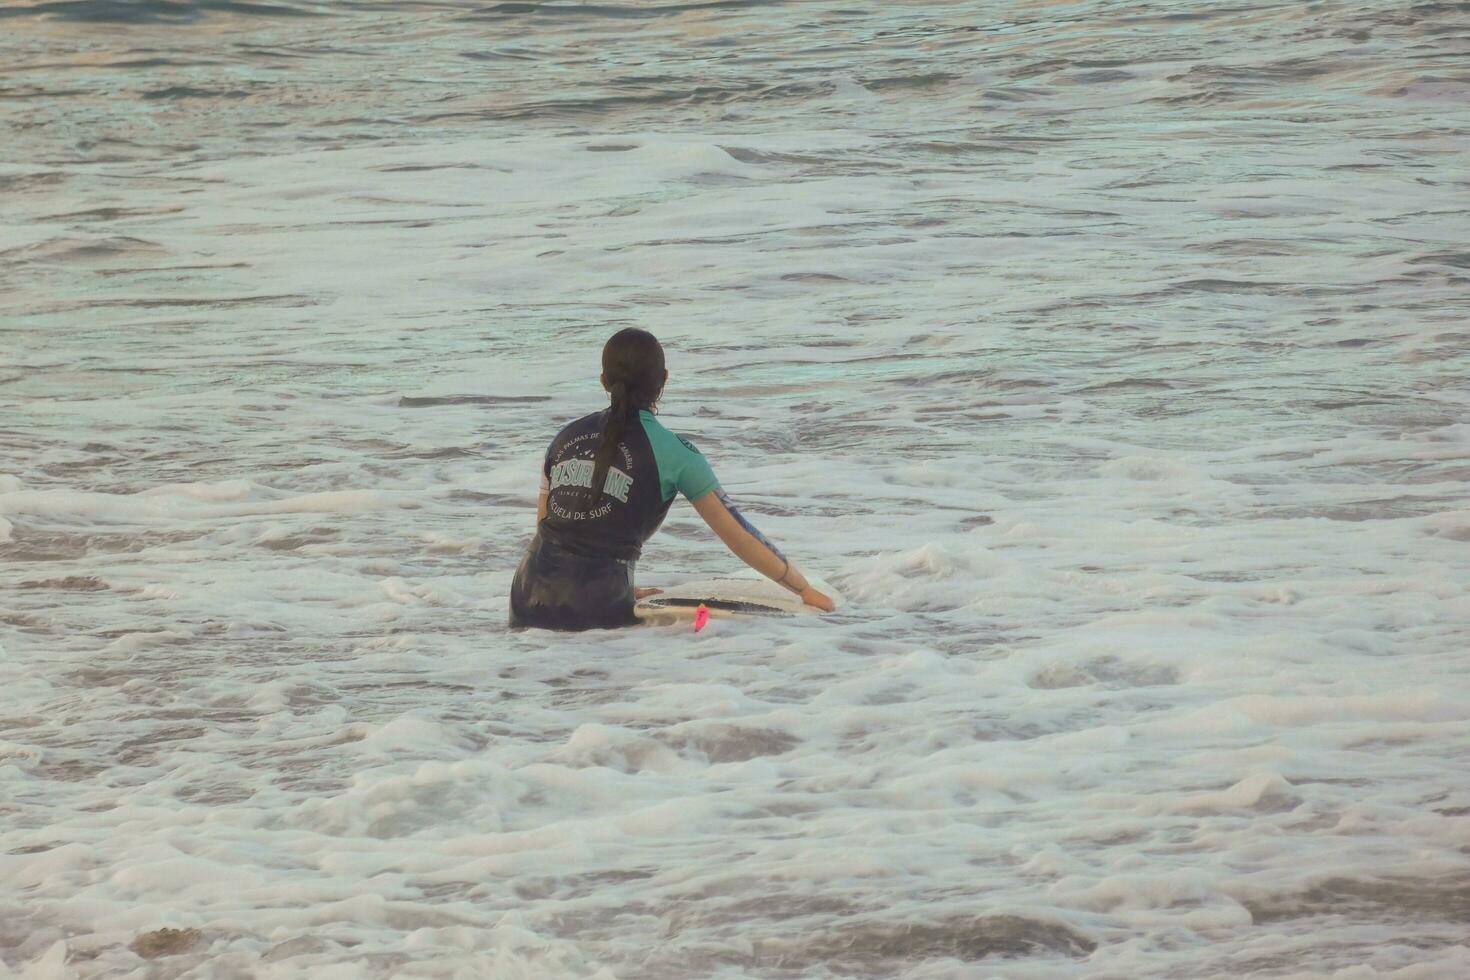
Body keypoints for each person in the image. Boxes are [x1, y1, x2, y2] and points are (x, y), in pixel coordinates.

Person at [510, 328, 836, 630]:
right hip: (597, 607)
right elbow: (739, 536)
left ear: (603, 380)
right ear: (663, 380)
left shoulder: (563, 438)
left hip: (526, 598)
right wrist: (804, 590)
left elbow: (548, 527)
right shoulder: (677, 454)